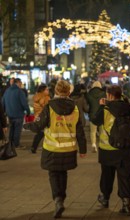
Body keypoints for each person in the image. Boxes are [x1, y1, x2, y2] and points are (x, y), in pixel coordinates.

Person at [23, 80, 87, 218]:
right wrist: (83, 149)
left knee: (53, 174)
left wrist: (27, 125)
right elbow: (80, 130)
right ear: (68, 92)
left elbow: (39, 126)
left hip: (52, 148)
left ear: (56, 91)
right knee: (63, 173)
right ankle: (61, 199)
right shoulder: (75, 108)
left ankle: (58, 199)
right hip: (69, 148)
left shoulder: (49, 107)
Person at [92, 85, 130, 216]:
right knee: (125, 177)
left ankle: (105, 198)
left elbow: (95, 120)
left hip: (108, 150)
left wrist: (102, 106)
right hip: (126, 150)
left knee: (107, 176)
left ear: (110, 95)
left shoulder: (106, 109)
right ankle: (126, 205)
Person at [2, 78, 30, 148]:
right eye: (20, 83)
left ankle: (10, 143)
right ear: (18, 83)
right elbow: (24, 103)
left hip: (9, 114)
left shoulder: (7, 91)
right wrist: (28, 111)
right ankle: (16, 144)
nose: (21, 85)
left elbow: (3, 102)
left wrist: (4, 112)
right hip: (18, 113)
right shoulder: (20, 92)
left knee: (11, 129)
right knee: (17, 129)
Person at [86, 80, 106, 152]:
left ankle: (94, 145)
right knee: (102, 131)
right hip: (101, 114)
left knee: (93, 132)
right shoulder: (104, 93)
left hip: (92, 115)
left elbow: (87, 105)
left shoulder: (89, 94)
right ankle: (102, 145)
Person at [30, 84, 50, 153]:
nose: (48, 91)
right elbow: (47, 108)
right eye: (47, 89)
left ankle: (34, 147)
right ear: (42, 91)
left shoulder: (35, 97)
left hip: (37, 117)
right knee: (45, 133)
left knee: (40, 133)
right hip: (44, 117)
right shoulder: (45, 97)